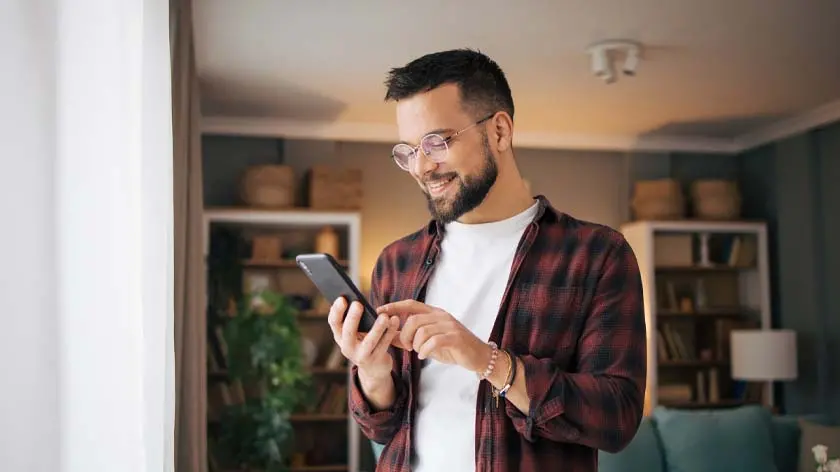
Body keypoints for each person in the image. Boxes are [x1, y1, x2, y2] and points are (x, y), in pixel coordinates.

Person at [326, 48, 647, 472]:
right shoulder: (395, 261)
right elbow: (384, 429)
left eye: (436, 142)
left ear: (499, 131)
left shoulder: (597, 255)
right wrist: (373, 371)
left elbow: (617, 419)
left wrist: (485, 359)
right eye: (407, 151)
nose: (421, 167)